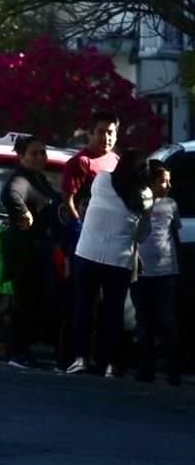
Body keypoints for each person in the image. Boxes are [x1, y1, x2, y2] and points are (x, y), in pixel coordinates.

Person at [67, 150, 153, 376]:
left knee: (84, 308)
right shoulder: (145, 195)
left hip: (87, 253)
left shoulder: (103, 180)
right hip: (119, 259)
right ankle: (111, 364)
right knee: (113, 313)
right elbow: (142, 234)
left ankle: (81, 358)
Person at [0, 136, 61, 368]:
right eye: (34, 153)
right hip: (24, 252)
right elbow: (11, 195)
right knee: (24, 303)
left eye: (42, 153)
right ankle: (18, 352)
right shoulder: (20, 180)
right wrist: (23, 213)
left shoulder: (40, 179)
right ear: (21, 156)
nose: (39, 158)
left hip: (41, 253)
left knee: (38, 302)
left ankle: (32, 348)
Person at [132, 161, 183, 385]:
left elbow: (175, 235)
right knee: (144, 323)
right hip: (141, 273)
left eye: (169, 181)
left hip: (166, 273)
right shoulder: (137, 203)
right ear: (150, 181)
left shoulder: (171, 204)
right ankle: (146, 370)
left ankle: (173, 371)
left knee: (167, 322)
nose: (167, 185)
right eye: (162, 181)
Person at [60, 110, 120, 223]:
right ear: (90, 133)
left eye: (110, 133)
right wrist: (78, 226)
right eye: (101, 132)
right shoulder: (81, 162)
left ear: (116, 136)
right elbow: (67, 199)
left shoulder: (116, 160)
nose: (106, 138)